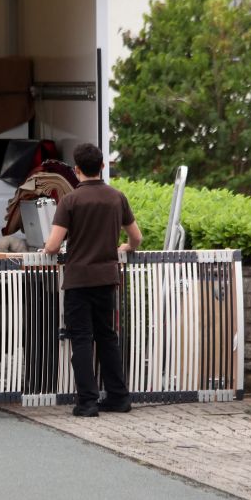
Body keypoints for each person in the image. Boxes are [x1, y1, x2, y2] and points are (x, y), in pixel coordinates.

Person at [43, 143, 143, 417]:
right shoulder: (117, 197)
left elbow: (52, 246)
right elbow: (136, 237)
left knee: (82, 339)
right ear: (102, 166)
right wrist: (126, 248)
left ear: (76, 170)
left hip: (78, 280)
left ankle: (87, 402)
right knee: (107, 337)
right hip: (106, 279)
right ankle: (119, 397)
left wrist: (47, 248)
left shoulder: (71, 201)